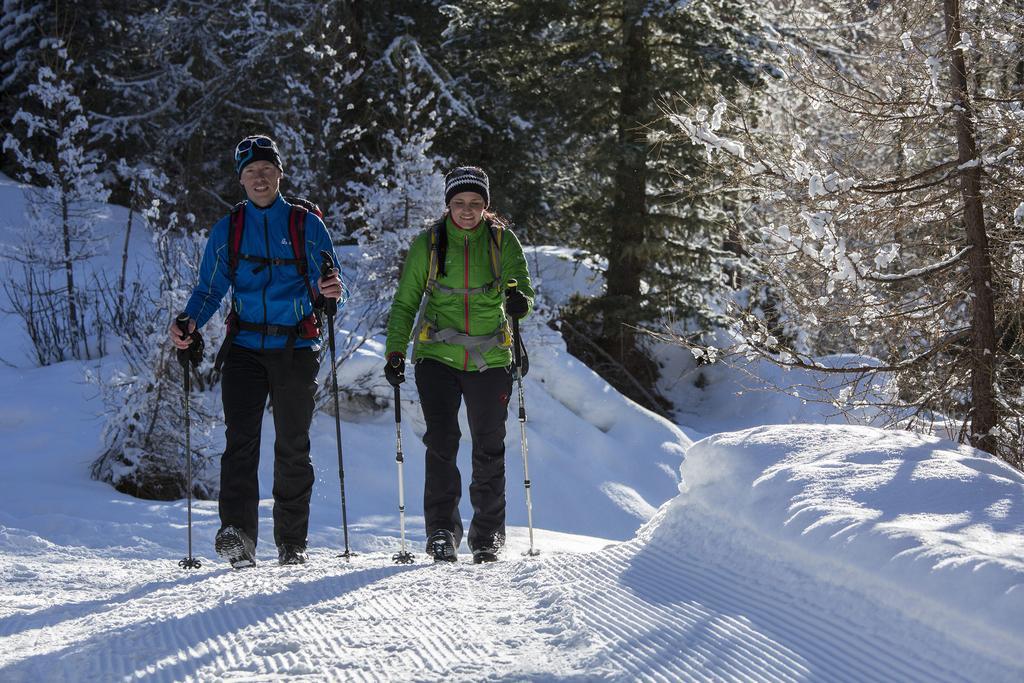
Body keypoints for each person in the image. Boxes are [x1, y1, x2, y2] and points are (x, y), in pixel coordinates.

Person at [169, 134, 343, 568]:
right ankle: (237, 536)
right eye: (250, 172)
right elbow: (209, 289)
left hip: (296, 346)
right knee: (240, 443)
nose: (259, 178)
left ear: (280, 174)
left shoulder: (306, 225)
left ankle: (291, 542)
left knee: (292, 444)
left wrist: (330, 291)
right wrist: (188, 321)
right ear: (241, 180)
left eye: (266, 170)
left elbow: (333, 283)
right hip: (244, 346)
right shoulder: (230, 228)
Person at [384, 166, 534, 564]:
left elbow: (522, 285)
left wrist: (521, 302)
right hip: (437, 356)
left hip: (491, 357)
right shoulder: (429, 244)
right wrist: (395, 351)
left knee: (489, 445)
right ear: (448, 204)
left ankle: (487, 536)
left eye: (475, 203)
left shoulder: (503, 242)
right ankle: (441, 532)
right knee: (442, 442)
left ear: (486, 206)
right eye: (459, 203)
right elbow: (405, 302)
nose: (467, 211)